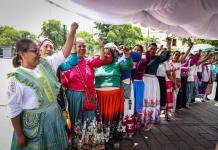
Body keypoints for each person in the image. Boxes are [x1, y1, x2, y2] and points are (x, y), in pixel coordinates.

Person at [7, 22, 78, 150]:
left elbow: (63, 54)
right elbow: (13, 109)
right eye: (35, 51)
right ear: (22, 54)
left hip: (54, 118)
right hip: (34, 127)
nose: (39, 53)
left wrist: (72, 32)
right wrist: (19, 134)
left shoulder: (45, 64)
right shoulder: (15, 79)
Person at [60, 38, 110, 149]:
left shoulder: (89, 61)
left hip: (89, 97)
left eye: (84, 46)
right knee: (76, 122)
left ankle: (89, 144)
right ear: (74, 47)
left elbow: (103, 60)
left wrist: (101, 46)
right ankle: (77, 145)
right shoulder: (67, 64)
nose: (82, 48)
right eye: (79, 46)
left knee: (89, 120)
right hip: (74, 97)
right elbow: (63, 82)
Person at [94, 45, 133, 148]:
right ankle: (101, 139)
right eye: (104, 53)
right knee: (101, 118)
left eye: (108, 53)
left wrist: (127, 56)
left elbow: (128, 66)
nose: (106, 55)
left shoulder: (118, 64)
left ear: (113, 55)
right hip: (100, 97)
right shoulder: (96, 65)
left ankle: (111, 138)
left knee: (113, 118)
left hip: (114, 97)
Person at [142, 37, 172, 131]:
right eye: (151, 49)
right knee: (142, 100)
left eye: (155, 49)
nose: (153, 51)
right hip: (142, 80)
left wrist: (168, 44)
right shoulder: (143, 57)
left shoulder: (157, 58)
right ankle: (141, 120)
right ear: (148, 48)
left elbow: (167, 56)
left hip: (152, 81)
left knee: (150, 100)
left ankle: (149, 121)